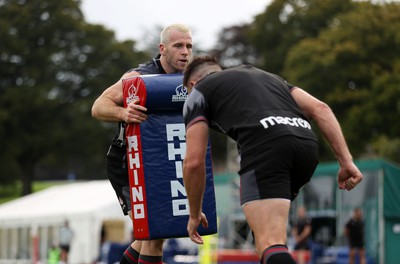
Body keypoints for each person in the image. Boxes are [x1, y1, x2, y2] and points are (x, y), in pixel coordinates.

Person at [181, 56, 363, 264]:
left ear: (193, 84)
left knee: (270, 241)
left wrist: (194, 213)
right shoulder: (269, 77)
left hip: (266, 148)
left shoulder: (197, 93)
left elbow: (193, 162)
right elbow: (320, 108)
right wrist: (346, 161)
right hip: (306, 147)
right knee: (269, 240)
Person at [91, 23, 193, 264]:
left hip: (164, 161)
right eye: (178, 45)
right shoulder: (139, 76)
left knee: (153, 236)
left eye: (189, 46)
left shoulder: (190, 79)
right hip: (129, 162)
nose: (185, 52)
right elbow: (98, 107)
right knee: (155, 234)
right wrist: (124, 113)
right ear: (163, 48)